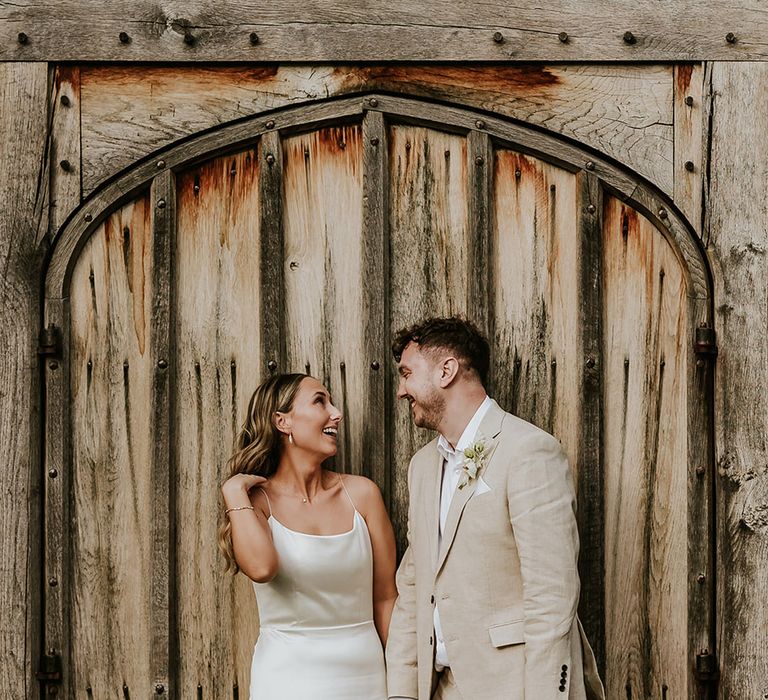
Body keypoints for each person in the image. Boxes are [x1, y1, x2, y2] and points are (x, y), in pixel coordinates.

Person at [386, 317, 604, 700]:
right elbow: (413, 590)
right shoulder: (421, 468)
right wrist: (402, 694)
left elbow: (551, 595)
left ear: (447, 370)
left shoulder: (528, 451)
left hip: (513, 686)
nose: (402, 390)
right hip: (442, 688)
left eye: (407, 373)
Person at [219, 373, 397, 700]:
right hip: (288, 678)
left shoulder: (363, 494)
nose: (336, 413)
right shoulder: (257, 502)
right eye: (320, 401)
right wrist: (233, 491)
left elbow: (386, 597)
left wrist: (403, 681)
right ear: (282, 421)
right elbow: (261, 568)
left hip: (366, 676)